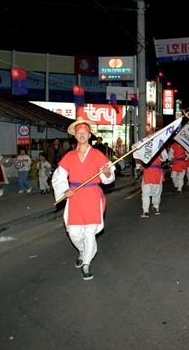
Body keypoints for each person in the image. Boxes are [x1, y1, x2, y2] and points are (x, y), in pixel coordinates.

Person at [51, 117, 115, 281]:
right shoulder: (70, 156)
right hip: (75, 197)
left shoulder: (97, 154)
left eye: (85, 132)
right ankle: (82, 251)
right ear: (75, 135)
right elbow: (59, 177)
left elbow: (108, 176)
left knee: (89, 233)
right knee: (74, 233)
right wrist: (65, 190)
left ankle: (86, 263)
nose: (82, 135)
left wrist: (107, 173)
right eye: (79, 133)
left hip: (92, 196)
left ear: (89, 135)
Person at [138, 141, 170, 218]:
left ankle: (156, 206)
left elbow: (164, 158)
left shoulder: (160, 146)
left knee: (157, 192)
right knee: (145, 193)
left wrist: (159, 150)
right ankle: (145, 211)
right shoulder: (143, 147)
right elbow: (138, 158)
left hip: (157, 174)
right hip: (147, 173)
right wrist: (139, 167)